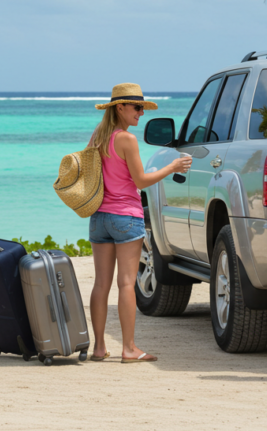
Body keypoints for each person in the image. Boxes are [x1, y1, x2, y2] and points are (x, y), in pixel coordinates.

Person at [86, 83, 192, 363]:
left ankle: (98, 348)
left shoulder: (98, 136)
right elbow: (141, 181)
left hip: (99, 217)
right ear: (119, 107)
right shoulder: (127, 140)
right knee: (125, 284)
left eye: (142, 108)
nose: (141, 113)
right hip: (125, 216)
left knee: (101, 284)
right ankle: (129, 349)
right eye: (136, 107)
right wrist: (172, 167)